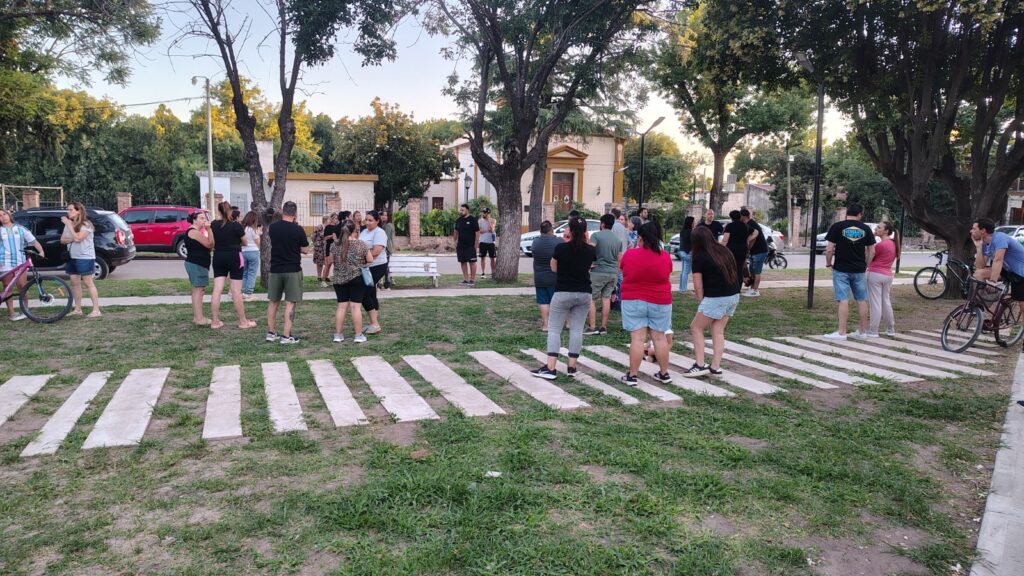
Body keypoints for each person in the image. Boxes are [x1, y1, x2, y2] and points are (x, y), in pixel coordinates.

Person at [530, 217, 596, 380]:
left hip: (563, 291)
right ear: (585, 232)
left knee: (554, 329)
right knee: (577, 329)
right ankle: (572, 366)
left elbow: (553, 268)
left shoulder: (561, 248)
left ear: (569, 230)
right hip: (584, 293)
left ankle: (551, 367)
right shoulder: (590, 250)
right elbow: (590, 267)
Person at [617, 222, 673, 385]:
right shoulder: (665, 256)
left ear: (640, 237)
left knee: (637, 339)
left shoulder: (630, 254)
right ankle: (664, 373)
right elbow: (667, 274)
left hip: (633, 300)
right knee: (660, 338)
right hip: (660, 300)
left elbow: (623, 271)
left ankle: (632, 375)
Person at [685, 226, 741, 377]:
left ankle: (699, 364)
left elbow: (698, 286)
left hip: (716, 297)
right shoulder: (724, 250)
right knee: (718, 330)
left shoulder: (699, 256)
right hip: (733, 295)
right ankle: (715, 367)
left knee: (696, 327)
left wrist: (701, 302)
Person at [824, 202, 876, 340]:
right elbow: (872, 251)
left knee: (843, 300)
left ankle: (841, 332)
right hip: (859, 270)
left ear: (847, 212)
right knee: (862, 300)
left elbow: (829, 250)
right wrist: (865, 265)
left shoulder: (837, 227)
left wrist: (829, 264)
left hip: (841, 268)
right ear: (860, 214)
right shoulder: (866, 228)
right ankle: (863, 332)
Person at [265, 201, 309, 344]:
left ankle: (271, 332)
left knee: (273, 301)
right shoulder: (298, 229)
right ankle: (286, 335)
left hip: (275, 268)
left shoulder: (273, 227)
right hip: (292, 269)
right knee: (290, 302)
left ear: (283, 211)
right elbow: (305, 249)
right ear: (295, 213)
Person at [209, 201, 255, 330]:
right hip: (235, 256)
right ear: (230, 211)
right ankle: (243, 321)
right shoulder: (236, 226)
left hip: (218, 256)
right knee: (236, 291)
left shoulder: (214, 224)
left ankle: (215, 321)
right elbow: (245, 242)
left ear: (219, 211)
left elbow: (212, 241)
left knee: (217, 289)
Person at [331, 219, 373, 343]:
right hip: (357, 278)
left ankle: (338, 335)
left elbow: (331, 261)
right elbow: (370, 259)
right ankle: (358, 335)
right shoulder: (361, 244)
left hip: (339, 279)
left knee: (341, 307)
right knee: (355, 307)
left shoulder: (334, 245)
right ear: (354, 230)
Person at [0, 207, 44, 321]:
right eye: (0, 216)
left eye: (4, 214)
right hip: (5, 263)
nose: (3, 217)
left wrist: (41, 251)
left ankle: (25, 309)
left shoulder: (20, 228)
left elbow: (33, 241)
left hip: (20, 262)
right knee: (7, 287)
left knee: (22, 286)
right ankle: (11, 313)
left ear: (9, 214)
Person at [60, 201, 101, 318]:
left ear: (79, 211)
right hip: (72, 257)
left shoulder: (86, 224)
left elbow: (78, 239)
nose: (68, 212)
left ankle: (96, 310)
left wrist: (69, 226)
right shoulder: (69, 224)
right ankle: (78, 309)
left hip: (85, 257)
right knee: (74, 283)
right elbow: (62, 240)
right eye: (68, 210)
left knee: (88, 283)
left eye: (71, 210)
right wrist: (73, 236)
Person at [585, 213, 621, 335]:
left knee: (590, 298)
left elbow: (589, 250)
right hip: (613, 273)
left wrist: (588, 264)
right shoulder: (617, 240)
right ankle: (603, 326)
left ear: (602, 224)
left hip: (598, 271)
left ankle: (592, 327)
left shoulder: (596, 236)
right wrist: (617, 272)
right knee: (606, 299)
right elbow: (619, 259)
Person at [972, 217, 1024, 301]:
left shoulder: (1000, 238)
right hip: (1007, 270)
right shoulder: (984, 243)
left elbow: (998, 260)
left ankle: (993, 291)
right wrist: (979, 247)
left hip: (1020, 272)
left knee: (1022, 305)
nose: (971, 231)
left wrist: (993, 281)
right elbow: (980, 266)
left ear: (983, 230)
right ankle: (983, 301)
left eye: (974, 229)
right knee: (978, 274)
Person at [866, 222, 900, 337]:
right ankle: (890, 329)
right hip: (888, 275)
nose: (876, 229)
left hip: (875, 274)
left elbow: (869, 256)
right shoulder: (894, 243)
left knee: (875, 303)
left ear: (886, 231)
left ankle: (873, 330)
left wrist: (869, 242)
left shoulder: (880, 245)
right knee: (886, 302)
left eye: (879, 227)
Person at [359, 210, 389, 334]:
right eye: (366, 220)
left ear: (377, 221)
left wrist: (360, 256)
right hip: (366, 266)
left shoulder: (380, 232)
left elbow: (376, 251)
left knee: (363, 293)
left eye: (370, 220)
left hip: (377, 266)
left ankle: (375, 324)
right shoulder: (364, 231)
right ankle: (373, 323)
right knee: (371, 293)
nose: (367, 222)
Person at [183, 211, 214, 325]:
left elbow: (209, 247)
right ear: (194, 220)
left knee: (199, 290)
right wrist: (209, 229)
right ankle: (199, 318)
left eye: (204, 218)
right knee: (198, 290)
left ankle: (198, 317)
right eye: (201, 218)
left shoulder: (197, 232)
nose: (204, 220)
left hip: (199, 264)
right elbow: (210, 244)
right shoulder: (193, 232)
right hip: (196, 264)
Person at [531, 220, 563, 331]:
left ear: (541, 230)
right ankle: (558, 323)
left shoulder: (536, 242)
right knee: (557, 302)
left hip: (539, 277)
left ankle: (546, 325)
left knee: (543, 302)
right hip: (555, 277)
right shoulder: (559, 241)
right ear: (551, 230)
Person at [740, 208, 768, 297]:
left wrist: (747, 248)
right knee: (752, 270)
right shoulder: (749, 223)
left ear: (743, 216)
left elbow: (754, 238)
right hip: (755, 251)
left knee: (756, 271)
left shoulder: (750, 224)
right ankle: (752, 288)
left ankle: (755, 290)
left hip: (760, 251)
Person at [720, 210, 749, 285]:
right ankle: (738, 287)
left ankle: (731, 285)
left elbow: (725, 240)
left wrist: (720, 249)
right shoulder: (745, 226)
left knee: (730, 268)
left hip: (731, 250)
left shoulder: (729, 226)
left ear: (731, 217)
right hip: (743, 249)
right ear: (740, 216)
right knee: (739, 268)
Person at [454, 204, 480, 285]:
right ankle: (466, 279)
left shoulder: (473, 220)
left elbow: (477, 233)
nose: (461, 211)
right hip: (461, 246)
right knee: (463, 262)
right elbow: (456, 231)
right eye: (460, 210)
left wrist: (476, 245)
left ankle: (472, 280)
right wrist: (455, 241)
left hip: (470, 246)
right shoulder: (458, 220)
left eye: (463, 210)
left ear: (467, 210)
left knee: (472, 262)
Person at [240, 211, 262, 300]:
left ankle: (242, 291)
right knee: (252, 273)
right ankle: (249, 292)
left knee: (244, 273)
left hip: (243, 251)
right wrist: (259, 233)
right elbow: (258, 242)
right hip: (253, 251)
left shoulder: (242, 228)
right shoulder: (253, 229)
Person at [321, 212, 340, 288]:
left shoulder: (338, 227)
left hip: (336, 247)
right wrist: (332, 236)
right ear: (332, 219)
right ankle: (323, 281)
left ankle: (336, 280)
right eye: (335, 218)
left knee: (336, 264)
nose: (337, 220)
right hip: (329, 247)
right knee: (328, 264)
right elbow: (325, 238)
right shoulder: (328, 227)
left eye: (337, 218)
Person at [478, 207, 497, 278]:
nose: (484, 214)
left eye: (485, 213)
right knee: (483, 258)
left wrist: (488, 221)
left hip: (491, 242)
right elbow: (480, 231)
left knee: (492, 258)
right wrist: (486, 230)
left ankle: (493, 273)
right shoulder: (480, 221)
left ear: (489, 213)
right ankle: (483, 273)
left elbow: (491, 230)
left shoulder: (493, 220)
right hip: (483, 242)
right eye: (483, 212)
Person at [677, 216, 695, 294]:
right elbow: (693, 243)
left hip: (682, 252)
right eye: (693, 222)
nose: (694, 223)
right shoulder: (691, 232)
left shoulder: (682, 231)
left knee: (683, 271)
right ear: (690, 223)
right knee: (686, 272)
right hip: (688, 253)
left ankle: (682, 288)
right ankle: (683, 290)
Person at [380, 210, 396, 289]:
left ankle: (387, 283)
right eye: (383, 215)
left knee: (385, 266)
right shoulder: (384, 224)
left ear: (388, 217)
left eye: (386, 215)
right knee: (385, 266)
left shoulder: (388, 225)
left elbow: (385, 237)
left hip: (386, 248)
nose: (384, 216)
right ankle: (386, 283)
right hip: (384, 248)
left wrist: (382, 248)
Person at [312, 215, 327, 287]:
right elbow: (313, 236)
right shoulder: (320, 227)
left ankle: (325, 276)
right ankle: (319, 276)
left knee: (325, 262)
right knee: (319, 262)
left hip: (324, 247)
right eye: (329, 220)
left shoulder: (328, 227)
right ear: (325, 220)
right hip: (319, 247)